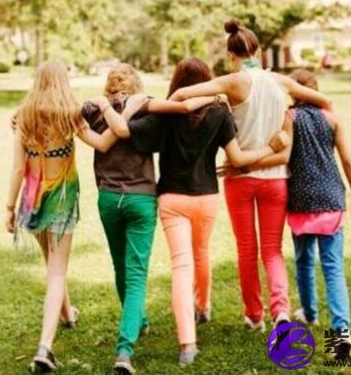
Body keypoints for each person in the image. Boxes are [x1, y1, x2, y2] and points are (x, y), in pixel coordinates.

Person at [94, 57, 290, 366]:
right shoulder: (220, 112)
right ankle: (203, 307)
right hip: (206, 197)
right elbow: (238, 158)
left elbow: (127, 132)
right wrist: (271, 148)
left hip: (172, 198)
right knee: (201, 253)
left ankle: (188, 344)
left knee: (181, 266)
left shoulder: (165, 113)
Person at [169, 19, 333, 331]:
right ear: (257, 51)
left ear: (231, 55)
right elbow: (325, 101)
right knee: (272, 250)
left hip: (240, 177)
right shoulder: (281, 82)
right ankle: (281, 311)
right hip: (276, 178)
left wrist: (213, 98)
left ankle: (254, 316)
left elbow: (180, 95)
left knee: (247, 250)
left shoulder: (232, 82)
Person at [81, 63, 222, 375]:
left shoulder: (93, 108)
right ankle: (124, 350)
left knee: (120, 266)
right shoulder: (145, 103)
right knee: (136, 275)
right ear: (136, 84)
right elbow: (183, 106)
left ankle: (138, 322)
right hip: (141, 199)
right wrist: (216, 96)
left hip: (108, 198)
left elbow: (58, 112)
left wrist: (22, 115)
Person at [4, 61, 137, 372]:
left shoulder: (25, 115)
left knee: (52, 265)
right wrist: (126, 116)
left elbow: (18, 168)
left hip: (32, 200)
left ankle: (67, 314)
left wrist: (9, 207)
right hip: (61, 199)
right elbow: (102, 143)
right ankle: (45, 348)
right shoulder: (70, 115)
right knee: (56, 271)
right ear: (63, 82)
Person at [286, 69, 351, 360]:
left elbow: (284, 156)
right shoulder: (332, 119)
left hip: (300, 199)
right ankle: (341, 335)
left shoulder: (289, 117)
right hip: (331, 197)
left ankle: (309, 313)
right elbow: (347, 160)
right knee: (333, 268)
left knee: (304, 261)